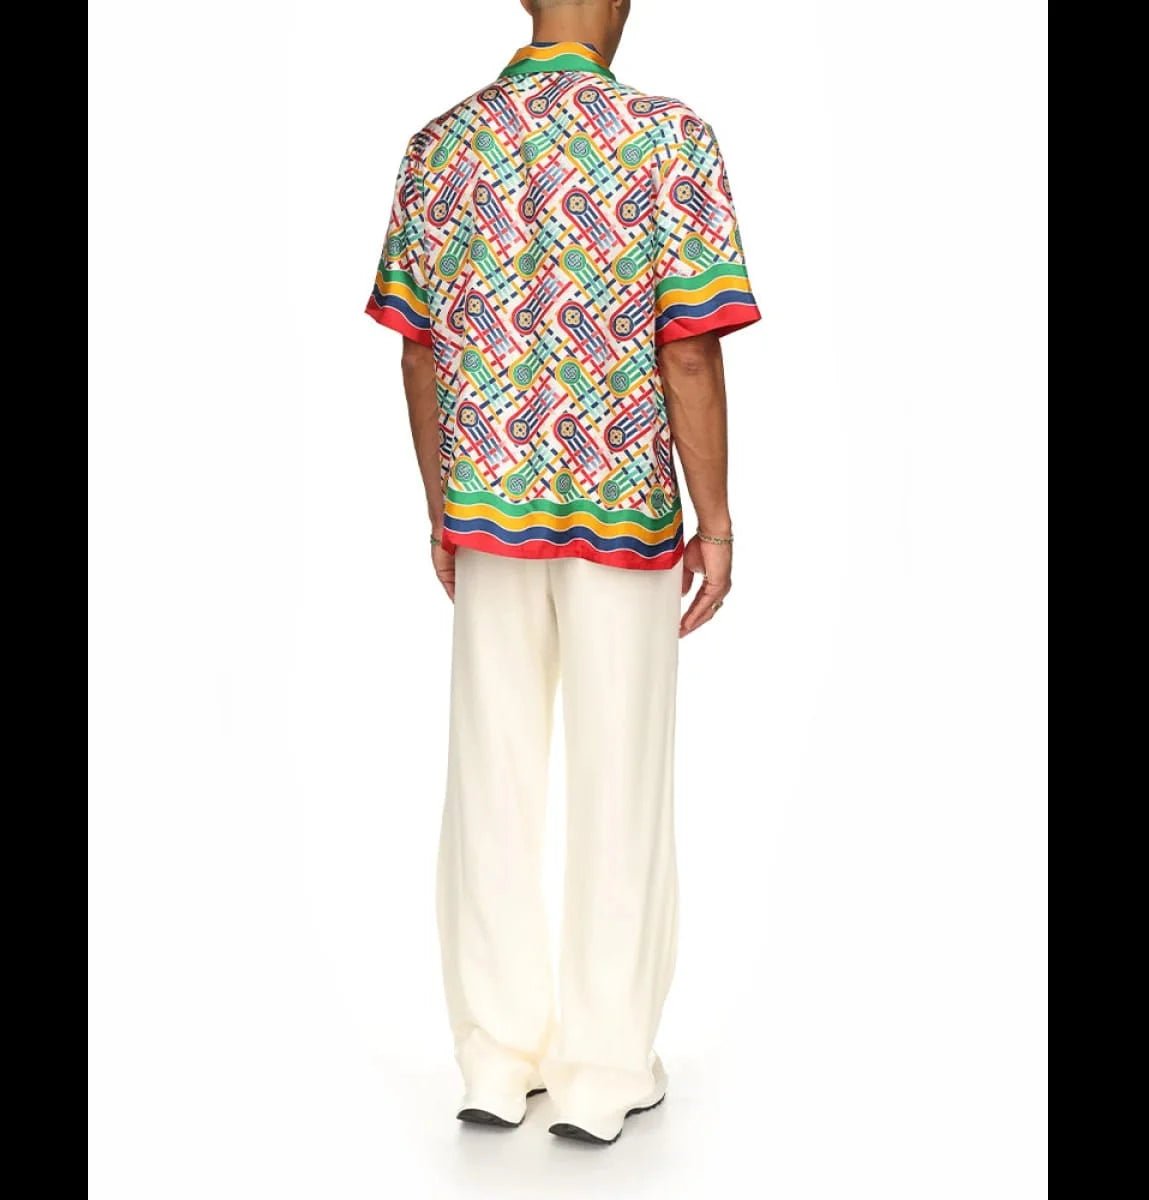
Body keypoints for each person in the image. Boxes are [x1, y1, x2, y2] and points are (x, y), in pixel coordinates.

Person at [365, 0, 760, 1145]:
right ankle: (601, 1069)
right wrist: (717, 521)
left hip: (489, 511)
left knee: (490, 775)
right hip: (621, 513)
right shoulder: (667, 139)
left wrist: (443, 509)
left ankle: (496, 1059)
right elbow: (689, 348)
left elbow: (417, 353)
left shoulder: (441, 146)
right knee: (618, 775)